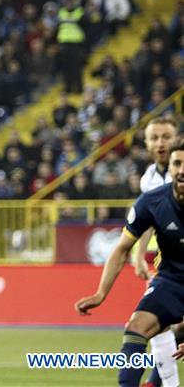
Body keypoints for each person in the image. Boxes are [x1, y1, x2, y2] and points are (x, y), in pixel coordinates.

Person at [75, 144, 184, 387]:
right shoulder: (153, 201)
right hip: (171, 281)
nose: (182, 170)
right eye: (177, 164)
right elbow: (122, 248)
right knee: (136, 328)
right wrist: (101, 293)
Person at [132, 117, 178, 387]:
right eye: (154, 138)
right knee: (160, 320)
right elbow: (146, 220)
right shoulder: (148, 179)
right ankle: (159, 383)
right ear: (147, 144)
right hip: (170, 261)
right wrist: (139, 255)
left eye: (166, 136)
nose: (161, 143)